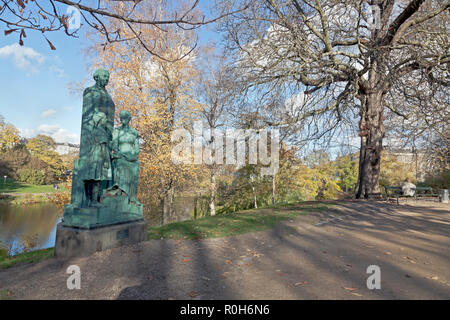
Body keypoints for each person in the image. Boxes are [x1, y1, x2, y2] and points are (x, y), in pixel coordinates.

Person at [110, 110, 140, 202]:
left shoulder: (134, 132)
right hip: (120, 156)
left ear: (129, 119)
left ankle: (132, 197)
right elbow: (114, 145)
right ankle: (118, 192)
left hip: (131, 157)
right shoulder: (117, 131)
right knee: (120, 165)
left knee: (136, 168)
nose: (123, 120)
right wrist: (119, 153)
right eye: (122, 118)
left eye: (126, 118)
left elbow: (137, 147)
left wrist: (133, 155)